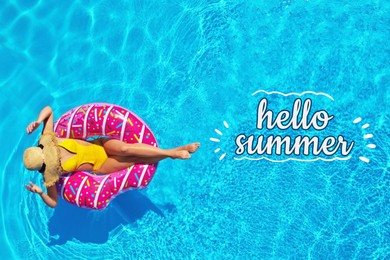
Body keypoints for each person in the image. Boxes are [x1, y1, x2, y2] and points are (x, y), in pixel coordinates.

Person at [23, 106, 200, 208]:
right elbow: (54, 202)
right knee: (133, 159)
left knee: (125, 149)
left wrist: (38, 121)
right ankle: (172, 153)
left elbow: (49, 110)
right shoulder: (50, 176)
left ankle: (171, 153)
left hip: (100, 144)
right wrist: (40, 193)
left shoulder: (48, 139)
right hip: (101, 166)